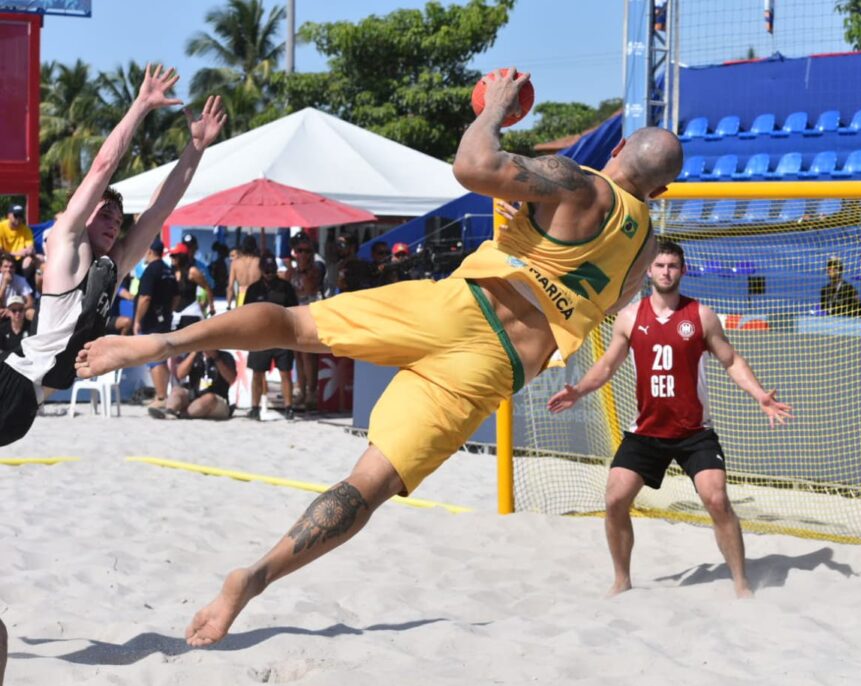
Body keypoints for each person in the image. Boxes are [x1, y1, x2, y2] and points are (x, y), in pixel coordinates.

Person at [76, 68, 683, 647]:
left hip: (457, 304)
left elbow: (472, 166)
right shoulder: (645, 253)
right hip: (496, 364)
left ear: (621, 144)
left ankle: (163, 345)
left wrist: (495, 107)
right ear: (659, 190)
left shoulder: (576, 180)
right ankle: (254, 578)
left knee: (293, 324)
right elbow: (578, 297)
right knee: (366, 488)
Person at [546, 240, 791, 598]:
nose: (665, 271)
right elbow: (607, 365)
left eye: (672, 266)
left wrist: (760, 396)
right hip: (646, 432)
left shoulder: (701, 316)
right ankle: (621, 580)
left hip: (694, 431)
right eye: (659, 266)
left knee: (717, 499)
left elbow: (732, 361)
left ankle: (741, 582)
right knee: (614, 499)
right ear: (648, 270)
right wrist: (579, 390)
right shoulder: (630, 317)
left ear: (683, 270)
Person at [0, 66, 225, 447]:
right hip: (12, 385)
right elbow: (103, 166)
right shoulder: (68, 244)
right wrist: (141, 105)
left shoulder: (112, 266)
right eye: (104, 214)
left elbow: (159, 211)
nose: (112, 223)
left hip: (26, 407)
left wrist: (196, 148)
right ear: (83, 214)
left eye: (117, 219)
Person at [243, 255, 298, 420]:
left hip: (282, 337)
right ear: (261, 270)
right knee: (257, 374)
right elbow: (245, 313)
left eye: (272, 270)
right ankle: (254, 407)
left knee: (285, 373)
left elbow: (294, 310)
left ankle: (289, 408)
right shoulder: (254, 289)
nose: (269, 273)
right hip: (260, 337)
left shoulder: (285, 287)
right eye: (266, 270)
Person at [136, 238, 179, 407]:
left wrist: (138, 320)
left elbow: (145, 298)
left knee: (155, 358)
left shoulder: (150, 271)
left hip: (153, 320)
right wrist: (168, 310)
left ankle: (161, 397)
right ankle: (162, 395)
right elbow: (176, 297)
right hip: (165, 319)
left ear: (150, 251)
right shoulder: (168, 270)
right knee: (161, 357)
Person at [284, 232, 324, 412]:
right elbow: (287, 289)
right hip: (295, 313)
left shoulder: (315, 269)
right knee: (298, 355)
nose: (303, 254)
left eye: (307, 251)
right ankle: (301, 389)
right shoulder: (292, 271)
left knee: (308, 355)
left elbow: (308, 288)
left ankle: (311, 392)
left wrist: (300, 270)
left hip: (310, 313)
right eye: (299, 250)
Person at [151, 348, 237, 420]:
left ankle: (182, 415)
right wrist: (194, 352)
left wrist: (216, 358)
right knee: (177, 390)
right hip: (195, 397)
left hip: (217, 401)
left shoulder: (225, 356)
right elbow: (180, 374)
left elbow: (231, 379)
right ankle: (170, 411)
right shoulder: (194, 355)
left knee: (209, 398)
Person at [169, 240, 216, 329]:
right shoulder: (171, 272)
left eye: (175, 256)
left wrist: (211, 307)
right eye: (171, 255)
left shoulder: (192, 271)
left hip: (190, 311)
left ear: (182, 257)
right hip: (174, 313)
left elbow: (207, 287)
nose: (172, 258)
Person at [0, 204, 37, 281]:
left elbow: (30, 248)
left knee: (32, 259)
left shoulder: (26, 229)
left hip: (20, 260)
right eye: (16, 216)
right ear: (8, 215)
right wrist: (16, 253)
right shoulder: (1, 227)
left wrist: (29, 251)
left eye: (20, 216)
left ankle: (25, 283)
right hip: (3, 258)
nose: (19, 218)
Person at [226, 235, 262, 308]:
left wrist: (229, 304)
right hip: (257, 296)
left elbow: (230, 286)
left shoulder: (235, 263)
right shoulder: (260, 262)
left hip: (242, 296)